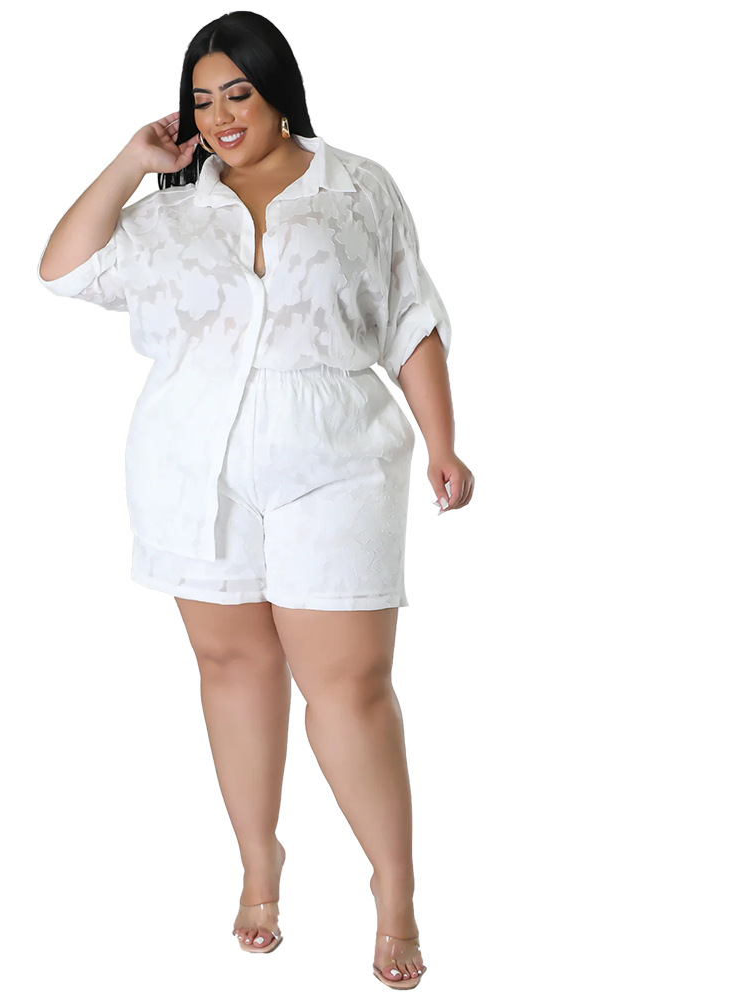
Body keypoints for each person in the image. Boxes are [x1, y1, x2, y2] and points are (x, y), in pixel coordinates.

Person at [37, 11, 474, 990]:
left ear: (280, 92)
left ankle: (394, 887)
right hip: (194, 458)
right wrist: (131, 161)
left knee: (349, 687)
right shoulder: (168, 212)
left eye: (238, 92)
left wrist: (444, 442)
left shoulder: (358, 187)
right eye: (201, 99)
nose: (220, 115)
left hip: (336, 453)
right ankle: (259, 864)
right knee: (232, 665)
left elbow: (409, 314)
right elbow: (62, 270)